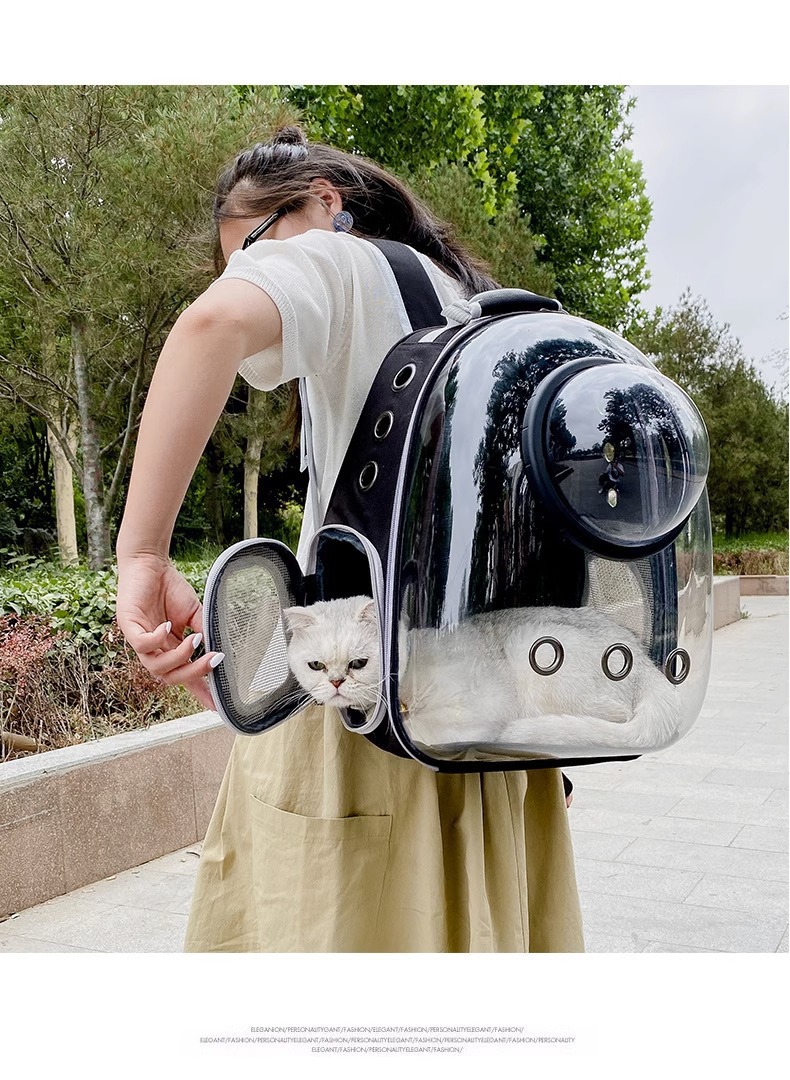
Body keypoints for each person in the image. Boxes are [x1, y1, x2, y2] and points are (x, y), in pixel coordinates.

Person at [115, 126, 584, 953]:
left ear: (325, 202)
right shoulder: (464, 298)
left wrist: (141, 554)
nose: (244, 275)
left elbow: (210, 325)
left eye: (251, 252)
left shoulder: (342, 262)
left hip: (366, 729)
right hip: (485, 725)